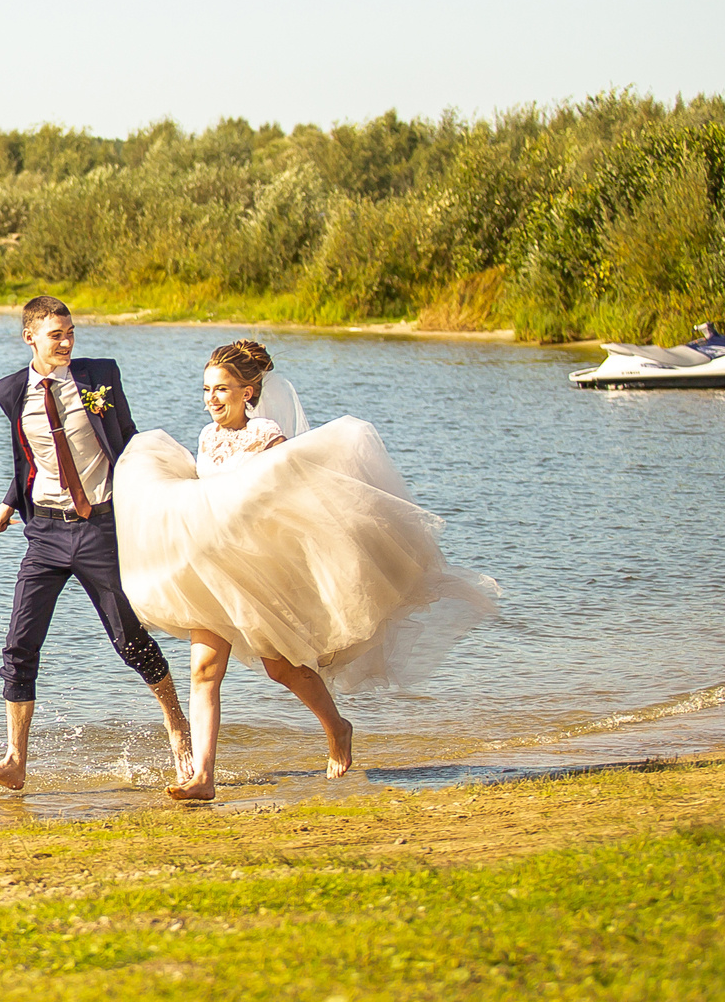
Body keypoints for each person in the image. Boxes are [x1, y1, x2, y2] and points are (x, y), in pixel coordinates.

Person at [115, 339, 499, 801]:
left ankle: (338, 728)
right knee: (203, 671)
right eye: (206, 390)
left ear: (248, 392)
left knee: (283, 669)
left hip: (259, 570)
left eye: (222, 389)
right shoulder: (206, 437)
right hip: (211, 574)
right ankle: (203, 777)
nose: (212, 399)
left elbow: (287, 496)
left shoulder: (267, 435)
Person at [0, 296, 190, 790]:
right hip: (43, 533)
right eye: (56, 335)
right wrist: (3, 512)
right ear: (30, 337)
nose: (67, 342)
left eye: (70, 332)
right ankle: (15, 760)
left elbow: (129, 442)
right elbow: (26, 461)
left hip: (100, 527)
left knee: (129, 640)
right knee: (19, 645)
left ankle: (179, 732)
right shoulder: (10, 392)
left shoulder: (101, 376)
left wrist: (167, 493)